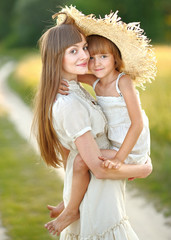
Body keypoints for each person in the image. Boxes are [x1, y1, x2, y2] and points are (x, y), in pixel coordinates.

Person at [32, 6, 154, 240]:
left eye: (84, 48)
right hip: (110, 162)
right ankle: (70, 208)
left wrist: (55, 77)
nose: (88, 58)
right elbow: (93, 164)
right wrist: (144, 170)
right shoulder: (80, 94)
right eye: (73, 51)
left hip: (123, 150)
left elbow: (136, 122)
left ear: (116, 58)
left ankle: (69, 206)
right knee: (81, 165)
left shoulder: (115, 82)